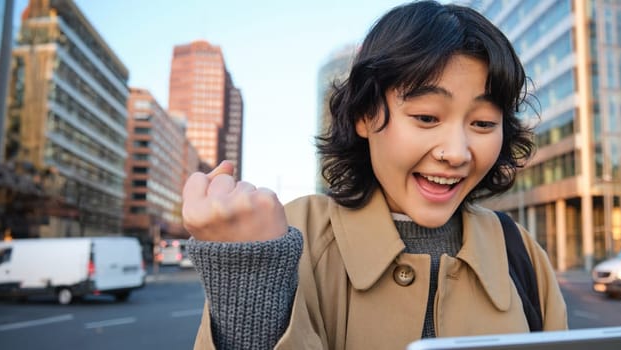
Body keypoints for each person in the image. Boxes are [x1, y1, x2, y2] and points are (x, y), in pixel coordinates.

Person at [182, 1, 568, 349]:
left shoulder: (521, 252)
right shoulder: (290, 236)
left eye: (483, 123)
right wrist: (248, 273)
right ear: (365, 116)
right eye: (427, 117)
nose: (456, 153)